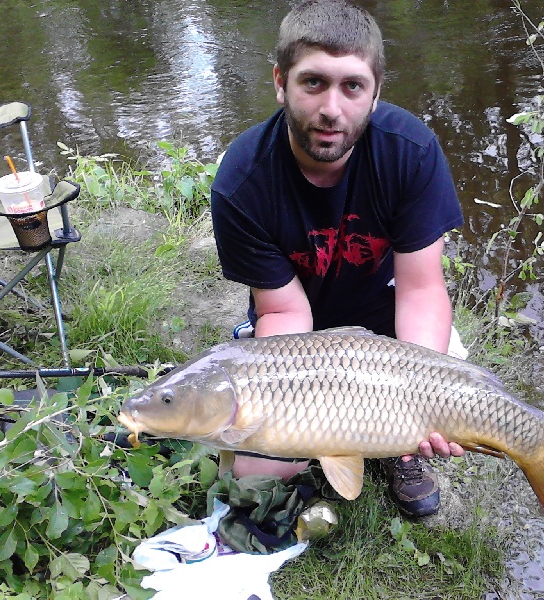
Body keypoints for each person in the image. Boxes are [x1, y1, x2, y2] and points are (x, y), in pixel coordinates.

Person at [211, 0, 466, 517]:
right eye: (313, 83)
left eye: (352, 86)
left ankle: (400, 449)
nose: (332, 108)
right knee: (255, 473)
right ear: (280, 82)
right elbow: (284, 313)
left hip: (392, 329)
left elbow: (421, 289)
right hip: (299, 338)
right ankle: (347, 434)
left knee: (438, 399)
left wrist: (420, 401)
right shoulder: (242, 181)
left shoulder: (409, 151)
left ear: (375, 94)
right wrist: (282, 405)